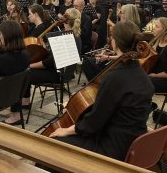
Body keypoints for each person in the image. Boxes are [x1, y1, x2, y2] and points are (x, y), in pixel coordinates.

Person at [50, 20, 155, 161]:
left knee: (53, 144)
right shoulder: (142, 74)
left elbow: (94, 123)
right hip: (131, 140)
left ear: (115, 43)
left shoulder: (114, 77)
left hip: (111, 147)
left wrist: (67, 130)